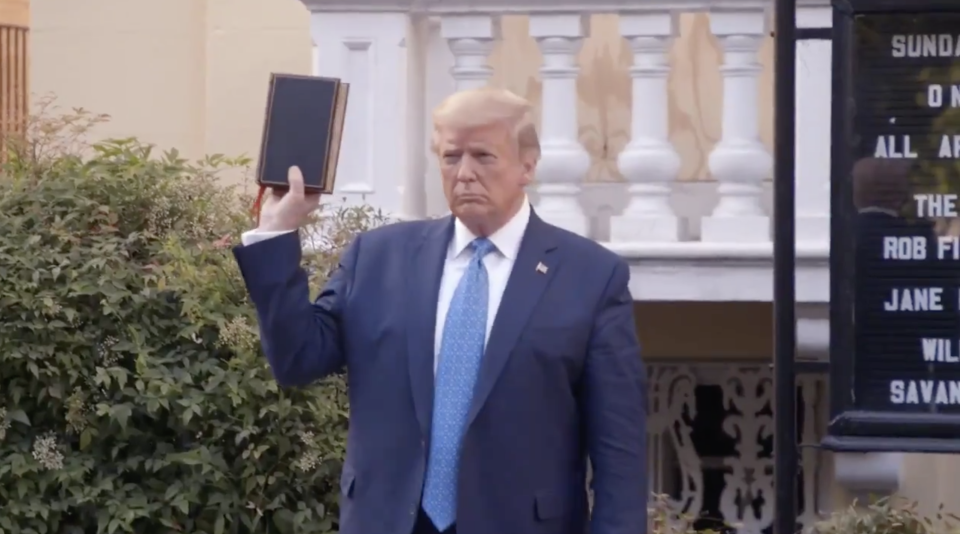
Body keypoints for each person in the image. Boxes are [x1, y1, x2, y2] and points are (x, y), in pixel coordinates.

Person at [233, 87, 648, 534]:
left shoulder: (590, 277)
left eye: (483, 156)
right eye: (451, 158)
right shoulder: (379, 258)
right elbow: (297, 359)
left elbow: (619, 450)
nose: (464, 173)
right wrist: (276, 234)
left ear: (527, 165)